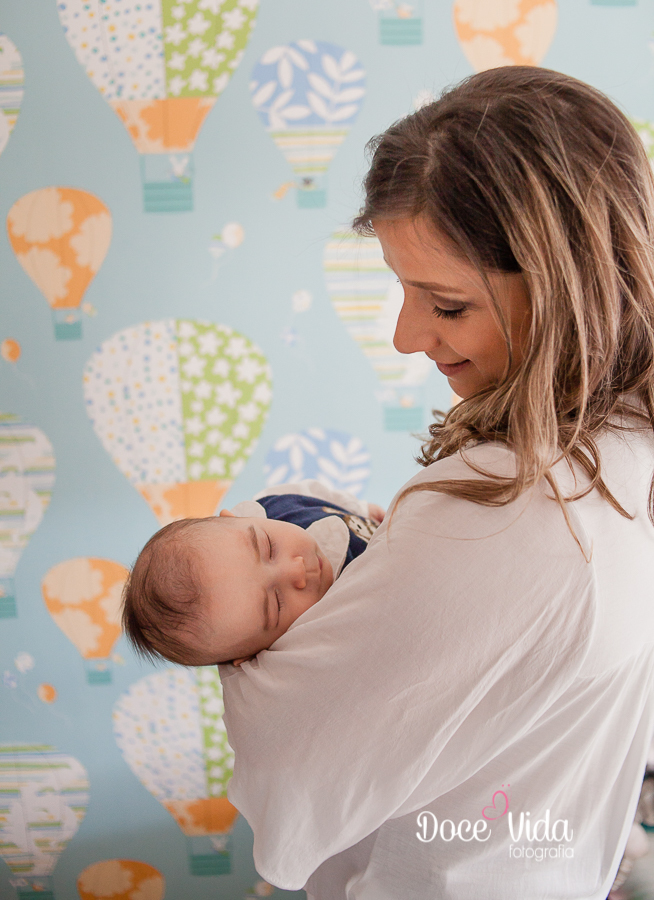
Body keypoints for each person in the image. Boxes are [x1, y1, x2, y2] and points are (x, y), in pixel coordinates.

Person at [217, 65, 654, 900]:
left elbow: (289, 764)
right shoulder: (629, 443)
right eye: (402, 290)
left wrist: (235, 608)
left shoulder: (503, 507)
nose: (407, 335)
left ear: (568, 291)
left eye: (446, 305)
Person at [121, 480, 383, 667]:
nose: (297, 570)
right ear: (255, 654)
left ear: (235, 518)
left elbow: (311, 493)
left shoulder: (276, 507)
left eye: (269, 547)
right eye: (276, 603)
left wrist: (359, 509)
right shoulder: (327, 628)